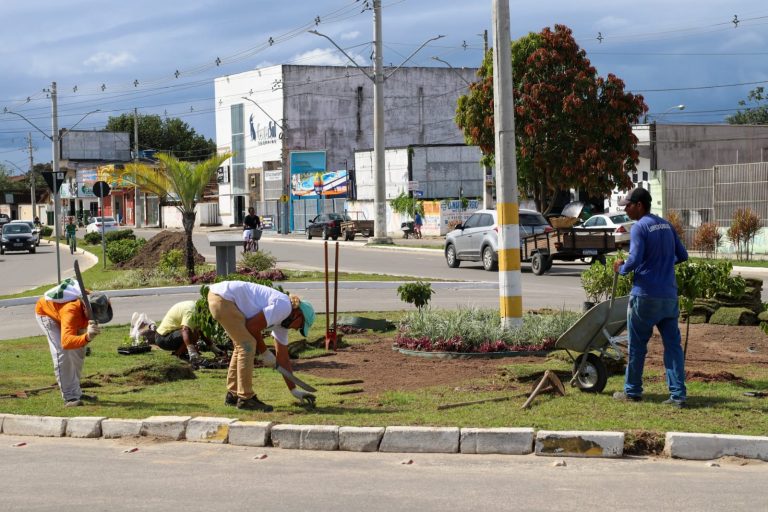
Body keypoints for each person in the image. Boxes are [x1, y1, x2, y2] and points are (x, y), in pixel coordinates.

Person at [612, 187, 689, 408]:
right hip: (668, 296)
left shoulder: (639, 227)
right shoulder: (666, 225)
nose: (625, 209)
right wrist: (662, 265)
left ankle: (633, 391)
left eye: (628, 205)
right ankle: (678, 395)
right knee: (673, 346)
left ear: (639, 205)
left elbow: (634, 259)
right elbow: (682, 255)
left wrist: (622, 268)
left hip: (645, 296)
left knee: (637, 346)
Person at [207, 281, 315, 411]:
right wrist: (264, 352)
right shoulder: (284, 307)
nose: (297, 329)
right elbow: (252, 327)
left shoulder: (282, 325)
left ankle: (233, 394)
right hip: (224, 298)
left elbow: (283, 359)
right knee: (247, 345)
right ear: (298, 314)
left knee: (242, 345)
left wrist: (294, 390)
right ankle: (246, 399)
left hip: (220, 297)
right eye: (301, 326)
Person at [35, 278, 113, 407]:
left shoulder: (96, 299)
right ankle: (70, 397)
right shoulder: (71, 311)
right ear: (86, 309)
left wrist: (86, 337)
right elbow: (66, 342)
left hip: (72, 317)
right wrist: (87, 337)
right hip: (47, 314)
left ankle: (76, 391)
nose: (97, 320)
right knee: (62, 352)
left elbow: (78, 343)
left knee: (78, 352)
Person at [141, 300, 219, 362]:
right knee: (193, 333)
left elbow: (202, 331)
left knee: (196, 331)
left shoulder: (198, 308)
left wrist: (214, 348)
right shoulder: (192, 311)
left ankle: (180, 353)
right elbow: (185, 330)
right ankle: (178, 354)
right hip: (163, 339)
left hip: (171, 335)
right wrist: (192, 352)